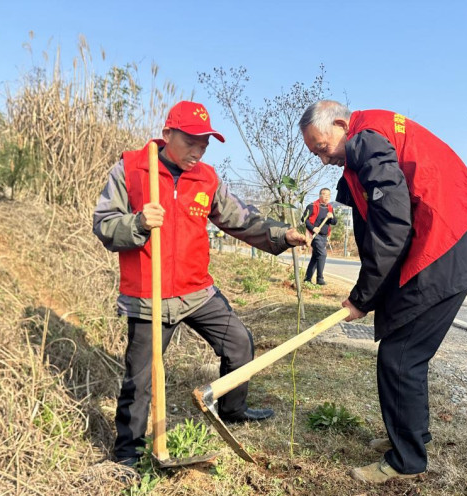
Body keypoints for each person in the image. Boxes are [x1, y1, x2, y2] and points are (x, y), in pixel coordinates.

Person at [299, 100, 467, 483]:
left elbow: (391, 228)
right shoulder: (373, 135)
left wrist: (362, 297)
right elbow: (380, 226)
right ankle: (412, 432)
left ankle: (407, 460)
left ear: (341, 125)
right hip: (455, 242)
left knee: (400, 354)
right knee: (404, 348)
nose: (323, 159)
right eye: (315, 153)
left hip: (450, 246)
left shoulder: (368, 142)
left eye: (323, 147)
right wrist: (373, 294)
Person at [93, 100, 307, 467]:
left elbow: (239, 219)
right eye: (191, 140)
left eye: (205, 142)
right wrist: (138, 224)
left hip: (196, 290)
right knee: (141, 379)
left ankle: (233, 408)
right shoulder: (131, 169)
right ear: (167, 135)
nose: (199, 150)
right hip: (150, 295)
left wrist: (281, 234)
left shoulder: (206, 178)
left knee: (239, 343)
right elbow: (104, 224)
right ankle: (127, 453)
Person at [301, 187, 338, 285]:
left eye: (328, 195)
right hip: (314, 235)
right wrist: (313, 228)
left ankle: (307, 279)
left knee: (316, 257)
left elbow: (334, 222)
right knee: (322, 254)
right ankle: (320, 279)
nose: (326, 196)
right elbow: (304, 219)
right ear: (320, 195)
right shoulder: (312, 206)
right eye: (324, 194)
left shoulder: (330, 208)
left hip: (324, 236)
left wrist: (332, 216)